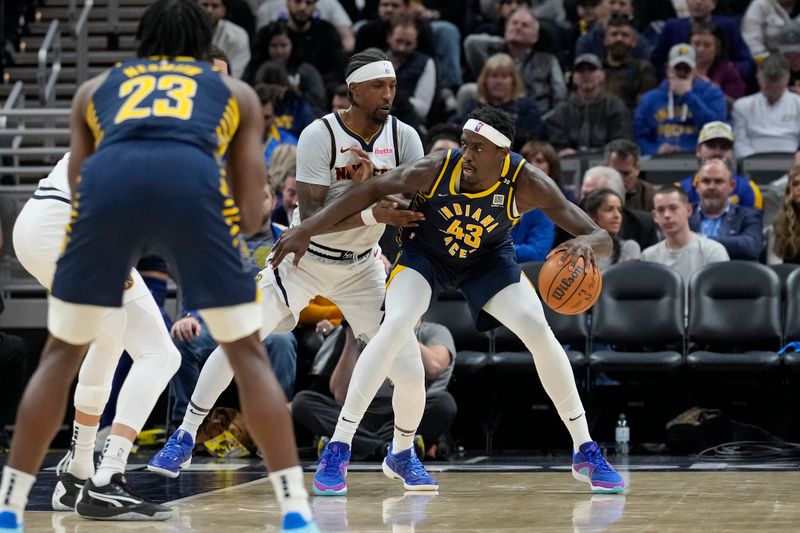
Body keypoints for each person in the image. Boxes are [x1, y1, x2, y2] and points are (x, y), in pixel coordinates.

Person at [0, 1, 318, 531]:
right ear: (198, 56)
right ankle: (113, 478)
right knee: (170, 353)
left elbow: (89, 181)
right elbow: (240, 205)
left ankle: (65, 480)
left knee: (95, 345)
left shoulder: (103, 90)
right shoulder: (225, 101)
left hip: (51, 219)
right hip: (72, 221)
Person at [272, 105, 625, 496]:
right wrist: (306, 228)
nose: (468, 155)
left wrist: (586, 242)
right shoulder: (436, 167)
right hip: (426, 256)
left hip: (487, 261)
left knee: (539, 330)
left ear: (501, 155)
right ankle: (339, 447)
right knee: (394, 326)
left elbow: (602, 237)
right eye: (465, 145)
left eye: (478, 148)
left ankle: (585, 449)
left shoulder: (528, 182)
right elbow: (371, 190)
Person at [147, 50, 426, 492]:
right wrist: (374, 202)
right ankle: (184, 434)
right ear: (354, 89)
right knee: (240, 339)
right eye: (379, 86)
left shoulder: (405, 136)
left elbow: (414, 204)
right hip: (303, 258)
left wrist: (368, 191)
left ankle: (403, 451)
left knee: (410, 369)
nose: (389, 94)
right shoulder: (320, 134)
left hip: (362, 268)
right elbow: (314, 212)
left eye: (393, 86)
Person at [169, 183, 298, 428]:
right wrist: (190, 315)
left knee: (282, 342)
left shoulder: (285, 235)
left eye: (263, 197)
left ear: (273, 202)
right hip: (220, 319)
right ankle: (186, 429)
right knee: (183, 338)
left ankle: (274, 426)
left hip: (267, 320)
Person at [292, 318, 457, 460]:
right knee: (303, 402)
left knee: (444, 402)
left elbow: (435, 366)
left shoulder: (434, 331)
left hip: (405, 412)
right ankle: (385, 449)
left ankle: (357, 446)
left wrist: (400, 328)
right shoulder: (366, 333)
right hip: (361, 414)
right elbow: (341, 395)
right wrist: (351, 334)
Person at [634, 43, 727, 156]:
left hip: (700, 158)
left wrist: (688, 96)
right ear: (668, 68)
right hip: (660, 161)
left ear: (695, 69)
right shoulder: (650, 99)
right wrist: (655, 150)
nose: (682, 73)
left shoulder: (712, 94)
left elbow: (716, 130)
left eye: (686, 68)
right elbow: (640, 135)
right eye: (677, 68)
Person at [546, 53, 632, 157]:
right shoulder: (562, 111)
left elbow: (622, 142)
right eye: (580, 71)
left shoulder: (616, 106)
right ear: (573, 77)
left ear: (602, 75)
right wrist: (563, 151)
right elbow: (556, 144)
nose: (586, 74)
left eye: (591, 70)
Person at [650, 0, 755, 81]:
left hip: (721, 86)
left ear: (714, 3)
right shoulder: (672, 26)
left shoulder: (728, 26)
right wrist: (673, 75)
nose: (698, 2)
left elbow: (746, 63)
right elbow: (656, 62)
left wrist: (726, 73)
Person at [643, 185, 729, 281]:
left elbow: (722, 293)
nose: (667, 215)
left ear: (688, 210)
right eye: (661, 210)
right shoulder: (647, 256)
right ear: (655, 216)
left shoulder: (713, 251)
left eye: (673, 208)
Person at [677, 121, 764, 210]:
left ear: (732, 152)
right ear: (698, 150)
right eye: (711, 146)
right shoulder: (679, 191)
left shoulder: (748, 189)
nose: (717, 152)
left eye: (724, 147)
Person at [689, 159, 764, 260]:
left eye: (718, 181)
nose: (711, 187)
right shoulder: (685, 215)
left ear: (731, 186)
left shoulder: (748, 216)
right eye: (706, 181)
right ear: (697, 186)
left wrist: (701, 240)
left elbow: (751, 246)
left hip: (733, 274)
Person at [732, 54, 800, 160]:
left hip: (793, 161)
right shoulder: (742, 105)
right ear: (758, 79)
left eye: (777, 88)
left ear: (787, 79)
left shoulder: (798, 103)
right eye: (768, 87)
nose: (773, 91)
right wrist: (751, 163)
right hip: (752, 161)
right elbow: (740, 142)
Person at [601, 14, 658, 112]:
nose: (619, 39)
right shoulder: (595, 69)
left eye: (625, 35)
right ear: (605, 40)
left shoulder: (643, 69)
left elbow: (646, 107)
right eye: (614, 34)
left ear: (634, 41)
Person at [580, 188, 641, 270]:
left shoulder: (628, 247)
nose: (617, 215)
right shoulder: (578, 250)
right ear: (592, 215)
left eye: (619, 210)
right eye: (609, 209)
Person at [690, 19, 746, 108]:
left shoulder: (729, 72)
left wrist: (709, 88)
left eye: (707, 45)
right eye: (696, 44)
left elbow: (735, 107)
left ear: (717, 48)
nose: (700, 50)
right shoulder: (680, 67)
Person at [200, 0, 251, 78]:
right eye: (204, 5)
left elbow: (237, 73)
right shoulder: (184, 32)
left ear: (223, 10)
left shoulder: (238, 35)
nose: (209, 10)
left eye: (215, 6)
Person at [604, 138, 655, 211]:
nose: (619, 179)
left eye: (625, 174)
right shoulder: (595, 194)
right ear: (605, 168)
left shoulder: (650, 196)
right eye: (614, 173)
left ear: (637, 169)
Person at [766, 165, 800, 264]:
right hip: (787, 278)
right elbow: (774, 268)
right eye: (795, 184)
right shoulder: (779, 224)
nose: (799, 188)